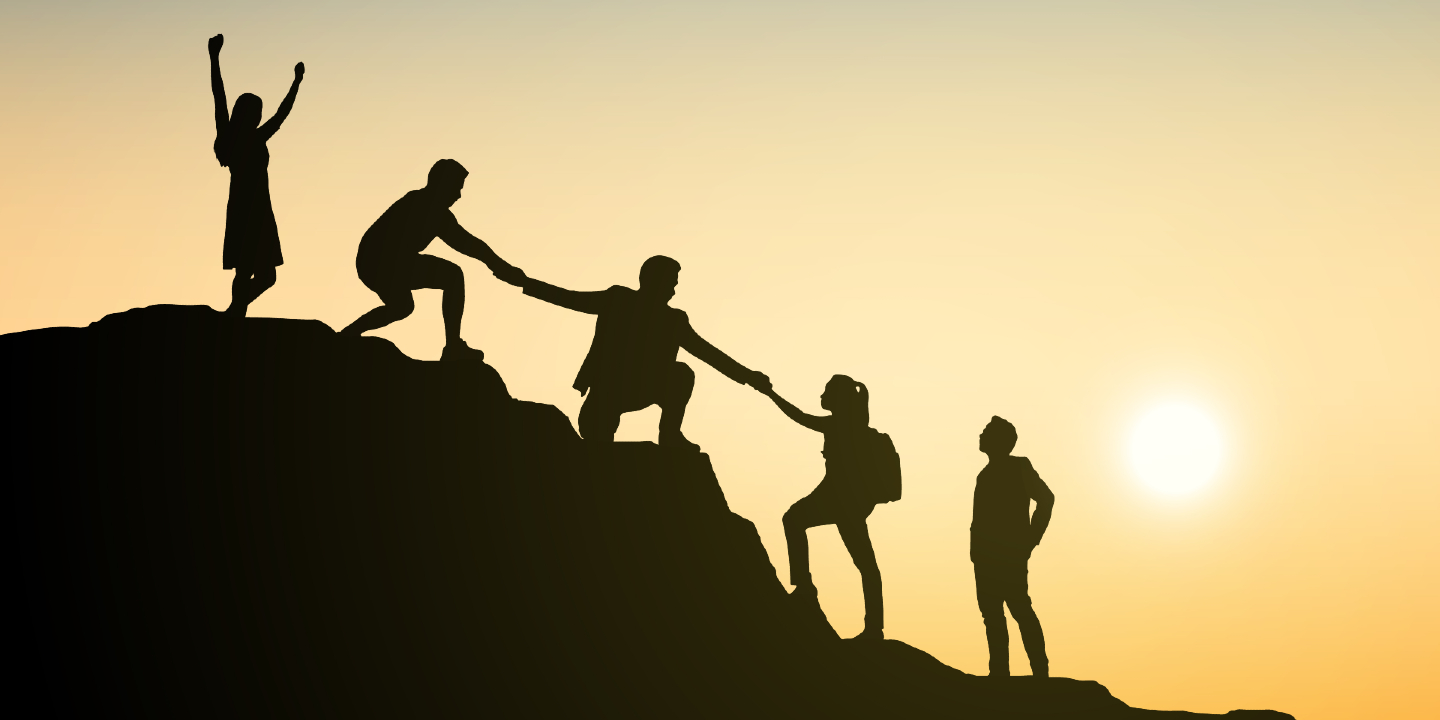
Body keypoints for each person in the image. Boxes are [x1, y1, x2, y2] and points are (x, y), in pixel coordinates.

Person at [518, 255, 767, 449]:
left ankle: (670, 435)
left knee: (681, 374)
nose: (673, 291)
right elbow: (568, 298)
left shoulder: (674, 320)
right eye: (671, 284)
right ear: (651, 281)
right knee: (595, 437)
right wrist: (523, 282)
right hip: (607, 392)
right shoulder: (618, 299)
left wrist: (749, 377)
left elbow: (709, 353)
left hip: (645, 388)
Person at [341, 160, 524, 361]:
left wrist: (499, 266)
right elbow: (468, 244)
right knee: (452, 276)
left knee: (402, 307)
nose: (458, 195)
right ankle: (453, 346)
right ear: (442, 185)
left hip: (376, 263)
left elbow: (469, 244)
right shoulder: (426, 206)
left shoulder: (430, 207)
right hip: (381, 261)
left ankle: (349, 333)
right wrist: (500, 266)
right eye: (456, 188)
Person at [762, 375, 887, 641]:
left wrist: (771, 394)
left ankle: (808, 588)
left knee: (796, 521)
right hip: (840, 499)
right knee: (865, 563)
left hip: (841, 500)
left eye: (827, 391)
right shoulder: (850, 424)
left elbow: (798, 416)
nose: (822, 396)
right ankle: (873, 625)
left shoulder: (839, 425)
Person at [208, 34, 304, 316]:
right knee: (247, 269)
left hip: (260, 210)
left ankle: (235, 310)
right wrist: (214, 59)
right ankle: (235, 314)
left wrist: (296, 83)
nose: (261, 116)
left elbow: (281, 114)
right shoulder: (238, 141)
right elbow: (219, 96)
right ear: (246, 114)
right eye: (256, 111)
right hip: (246, 209)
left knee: (264, 276)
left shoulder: (256, 138)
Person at [971, 416, 1054, 677]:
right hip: (985, 557)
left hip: (1009, 555)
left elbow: (1046, 498)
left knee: (1019, 609)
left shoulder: (1019, 467)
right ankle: (999, 673)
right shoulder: (984, 475)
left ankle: (1040, 672)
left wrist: (1030, 539)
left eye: (986, 432)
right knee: (992, 615)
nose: (981, 435)